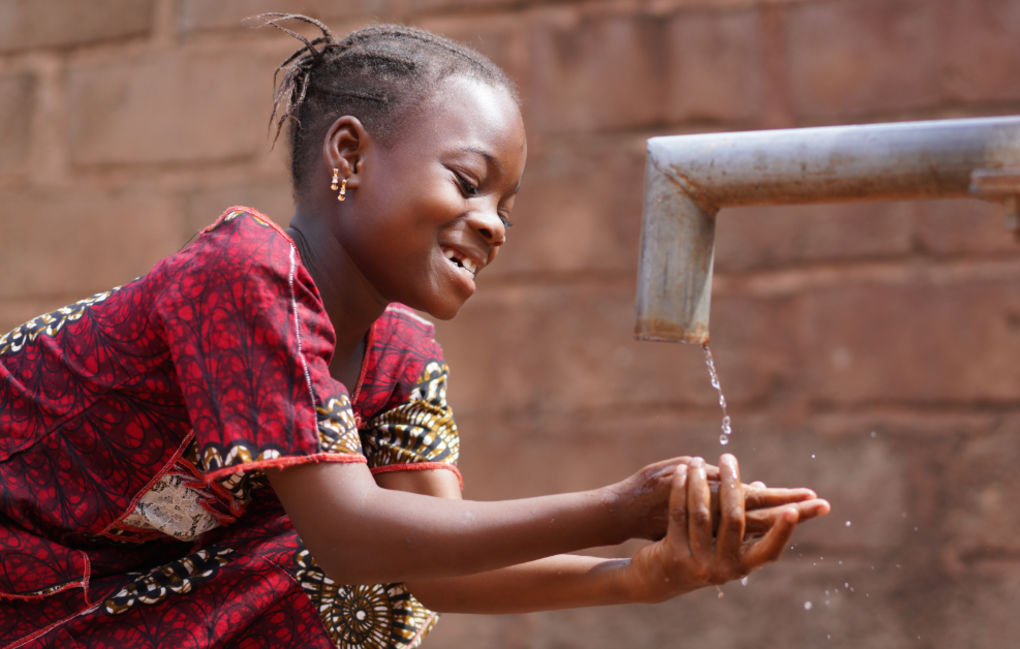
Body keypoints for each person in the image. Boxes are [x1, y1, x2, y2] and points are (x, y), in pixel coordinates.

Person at [0, 14, 829, 649]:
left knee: (366, 575)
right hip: (26, 566)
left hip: (91, 592)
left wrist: (643, 576)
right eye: (469, 183)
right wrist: (619, 507)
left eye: (507, 205)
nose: (494, 225)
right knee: (333, 566)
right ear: (351, 155)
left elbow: (427, 562)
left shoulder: (398, 352)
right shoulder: (243, 267)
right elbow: (356, 543)